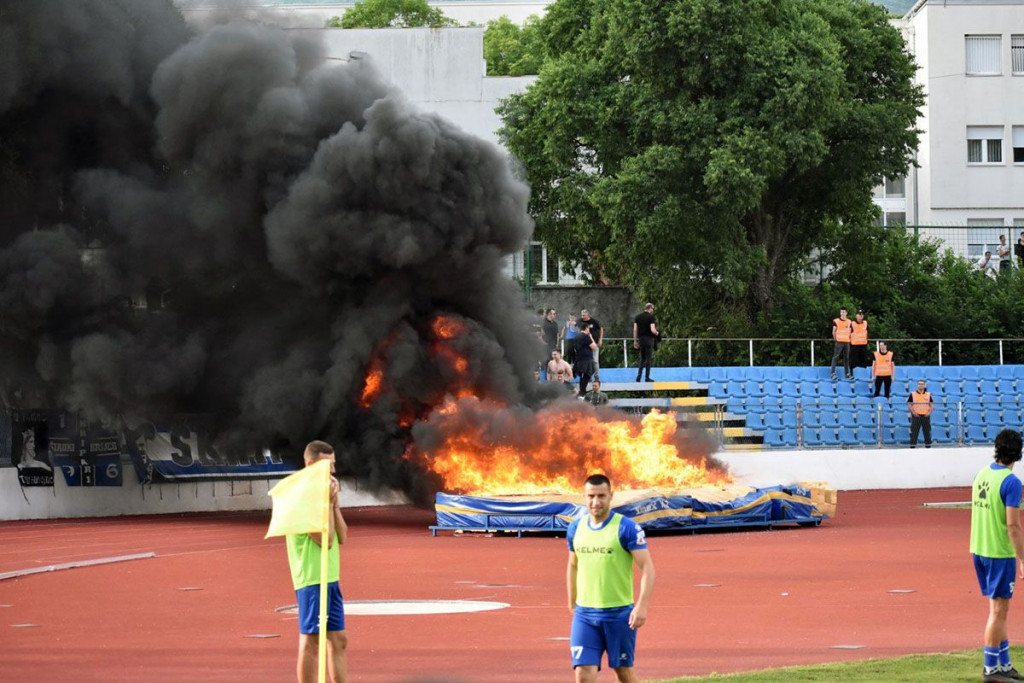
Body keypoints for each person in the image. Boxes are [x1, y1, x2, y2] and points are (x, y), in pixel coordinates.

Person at [567, 474, 655, 683]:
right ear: (584, 496)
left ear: (611, 496)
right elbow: (572, 564)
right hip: (585, 615)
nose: (595, 502)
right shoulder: (575, 528)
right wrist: (572, 601)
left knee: (623, 672)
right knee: (583, 674)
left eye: (601, 496)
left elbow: (648, 568)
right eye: (591, 496)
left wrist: (641, 607)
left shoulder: (626, 528)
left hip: (619, 614)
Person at [287, 440, 349, 683]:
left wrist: (334, 505)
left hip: (330, 577)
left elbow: (343, 535)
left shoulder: (324, 495)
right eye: (327, 466)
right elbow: (327, 540)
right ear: (310, 464)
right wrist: (326, 502)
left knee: (339, 639)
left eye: (334, 465)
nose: (333, 472)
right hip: (312, 578)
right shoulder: (302, 496)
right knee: (311, 641)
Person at [970, 429, 1024, 682]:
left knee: (1000, 609)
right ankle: (990, 669)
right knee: (999, 611)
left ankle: (1004, 663)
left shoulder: (982, 473)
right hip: (998, 552)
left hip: (979, 548)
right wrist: (1022, 558)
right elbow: (1013, 526)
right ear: (1018, 453)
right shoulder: (1012, 482)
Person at [633, 303, 659, 383]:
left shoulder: (638, 317)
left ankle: (638, 376)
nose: (652, 311)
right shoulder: (651, 317)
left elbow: (635, 330)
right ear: (650, 308)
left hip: (641, 339)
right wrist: (658, 333)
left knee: (642, 358)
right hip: (649, 339)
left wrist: (635, 341)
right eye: (652, 309)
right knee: (648, 359)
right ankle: (647, 378)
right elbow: (652, 330)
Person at [574, 323, 598, 398]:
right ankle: (582, 392)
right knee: (585, 375)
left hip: (579, 359)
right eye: (588, 329)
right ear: (586, 328)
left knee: (584, 375)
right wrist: (591, 337)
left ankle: (582, 391)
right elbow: (594, 347)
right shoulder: (586, 336)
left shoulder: (576, 337)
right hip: (586, 359)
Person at [907, 379, 933, 448]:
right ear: (917, 385)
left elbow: (931, 405)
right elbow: (909, 404)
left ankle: (928, 447)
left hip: (926, 416)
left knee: (927, 432)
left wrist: (929, 412)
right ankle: (912, 447)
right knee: (914, 432)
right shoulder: (912, 394)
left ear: (924, 385)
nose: (920, 385)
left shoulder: (928, 394)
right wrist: (913, 412)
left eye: (922, 384)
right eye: (919, 384)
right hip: (916, 416)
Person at [829, 308, 853, 381]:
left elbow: (850, 331)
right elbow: (833, 331)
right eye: (841, 312)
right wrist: (835, 339)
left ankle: (847, 374)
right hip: (839, 341)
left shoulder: (849, 322)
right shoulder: (836, 321)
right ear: (840, 313)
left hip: (846, 342)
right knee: (836, 357)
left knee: (847, 358)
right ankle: (833, 373)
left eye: (844, 312)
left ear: (846, 313)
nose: (842, 313)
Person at [580, 310, 603, 381]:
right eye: (581, 315)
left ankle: (596, 376)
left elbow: (601, 329)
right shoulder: (581, 322)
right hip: (585, 344)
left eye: (584, 315)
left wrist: (600, 339)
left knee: (595, 361)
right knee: (586, 360)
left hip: (594, 343)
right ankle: (588, 376)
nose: (582, 317)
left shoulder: (594, 321)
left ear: (587, 315)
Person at [541, 308, 560, 378]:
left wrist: (557, 344)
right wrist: (543, 343)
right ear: (548, 314)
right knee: (548, 364)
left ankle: (554, 382)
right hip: (546, 348)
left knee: (555, 364)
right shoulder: (543, 323)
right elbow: (539, 334)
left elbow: (557, 334)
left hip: (554, 347)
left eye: (555, 314)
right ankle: (547, 382)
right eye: (552, 313)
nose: (554, 315)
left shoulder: (555, 324)